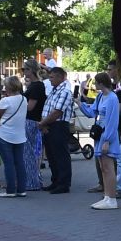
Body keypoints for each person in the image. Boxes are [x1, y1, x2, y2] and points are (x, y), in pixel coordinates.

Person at [0, 76, 31, 198]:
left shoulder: (5, 101)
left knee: (8, 163)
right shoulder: (23, 99)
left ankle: (10, 190)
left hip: (5, 135)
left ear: (8, 87)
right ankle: (21, 189)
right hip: (19, 135)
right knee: (19, 162)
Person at [39, 64, 75, 194]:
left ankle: (64, 184)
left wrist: (42, 123)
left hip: (59, 125)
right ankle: (55, 181)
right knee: (52, 155)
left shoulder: (65, 91)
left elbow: (57, 112)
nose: (50, 79)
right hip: (50, 125)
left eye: (52, 77)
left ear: (60, 77)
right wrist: (44, 124)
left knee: (61, 155)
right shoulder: (55, 90)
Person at [89, 71, 121, 209]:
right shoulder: (100, 96)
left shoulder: (112, 98)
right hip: (101, 134)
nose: (94, 85)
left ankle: (112, 198)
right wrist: (80, 103)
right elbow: (92, 111)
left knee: (108, 167)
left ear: (101, 83)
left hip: (106, 135)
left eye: (96, 82)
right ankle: (107, 196)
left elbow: (112, 121)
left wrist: (107, 140)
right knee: (103, 167)